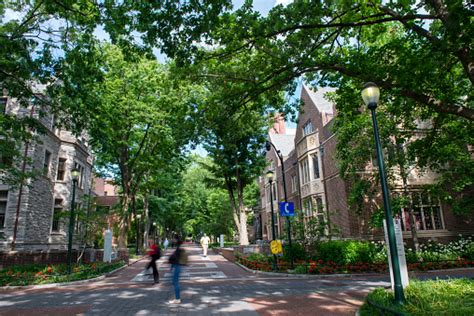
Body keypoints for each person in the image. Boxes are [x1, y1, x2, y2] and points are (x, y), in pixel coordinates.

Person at [168, 237, 188, 304]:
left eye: (174, 239)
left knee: (175, 282)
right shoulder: (178, 249)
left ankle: (177, 299)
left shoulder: (178, 249)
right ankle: (177, 298)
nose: (173, 240)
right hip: (177, 266)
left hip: (177, 267)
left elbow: (174, 259)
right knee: (174, 282)